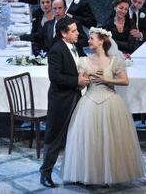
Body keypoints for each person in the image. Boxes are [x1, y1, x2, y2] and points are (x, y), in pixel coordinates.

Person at [62, 27, 145, 185]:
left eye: (92, 38)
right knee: (90, 140)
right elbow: (80, 85)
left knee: (110, 140)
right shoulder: (84, 61)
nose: (88, 41)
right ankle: (89, 174)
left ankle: (110, 175)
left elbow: (125, 81)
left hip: (110, 102)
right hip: (90, 102)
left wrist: (108, 81)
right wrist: (86, 78)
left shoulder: (115, 60)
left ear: (101, 41)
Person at [39, 17, 90, 188]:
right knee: (54, 137)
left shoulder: (73, 47)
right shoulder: (56, 49)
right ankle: (45, 173)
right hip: (61, 101)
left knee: (75, 137)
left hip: (74, 97)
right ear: (64, 33)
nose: (78, 33)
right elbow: (55, 77)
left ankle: (75, 173)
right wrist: (76, 81)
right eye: (74, 31)